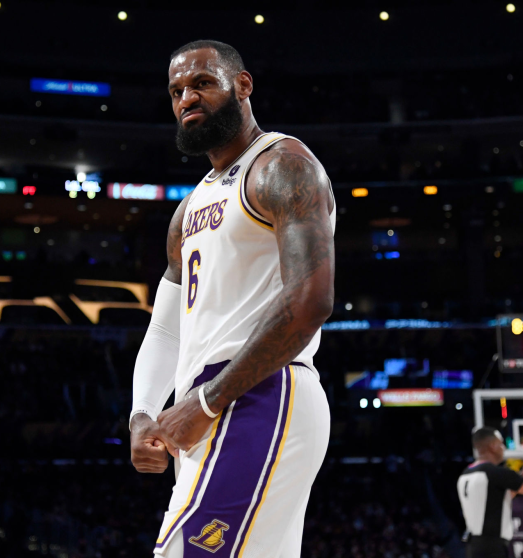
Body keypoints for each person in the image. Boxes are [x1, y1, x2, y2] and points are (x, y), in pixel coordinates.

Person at [129, 39, 336, 557]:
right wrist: (142, 413)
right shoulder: (191, 206)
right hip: (204, 410)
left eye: (202, 83)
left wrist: (205, 401)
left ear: (242, 85)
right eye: (177, 90)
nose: (187, 98)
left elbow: (311, 301)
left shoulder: (282, 165)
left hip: (260, 394)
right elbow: (165, 328)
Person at [458, 427, 523, 558]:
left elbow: (505, 497)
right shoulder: (495, 473)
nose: (503, 448)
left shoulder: (466, 474)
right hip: (492, 547)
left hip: (473, 547)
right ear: (492, 446)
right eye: (501, 444)